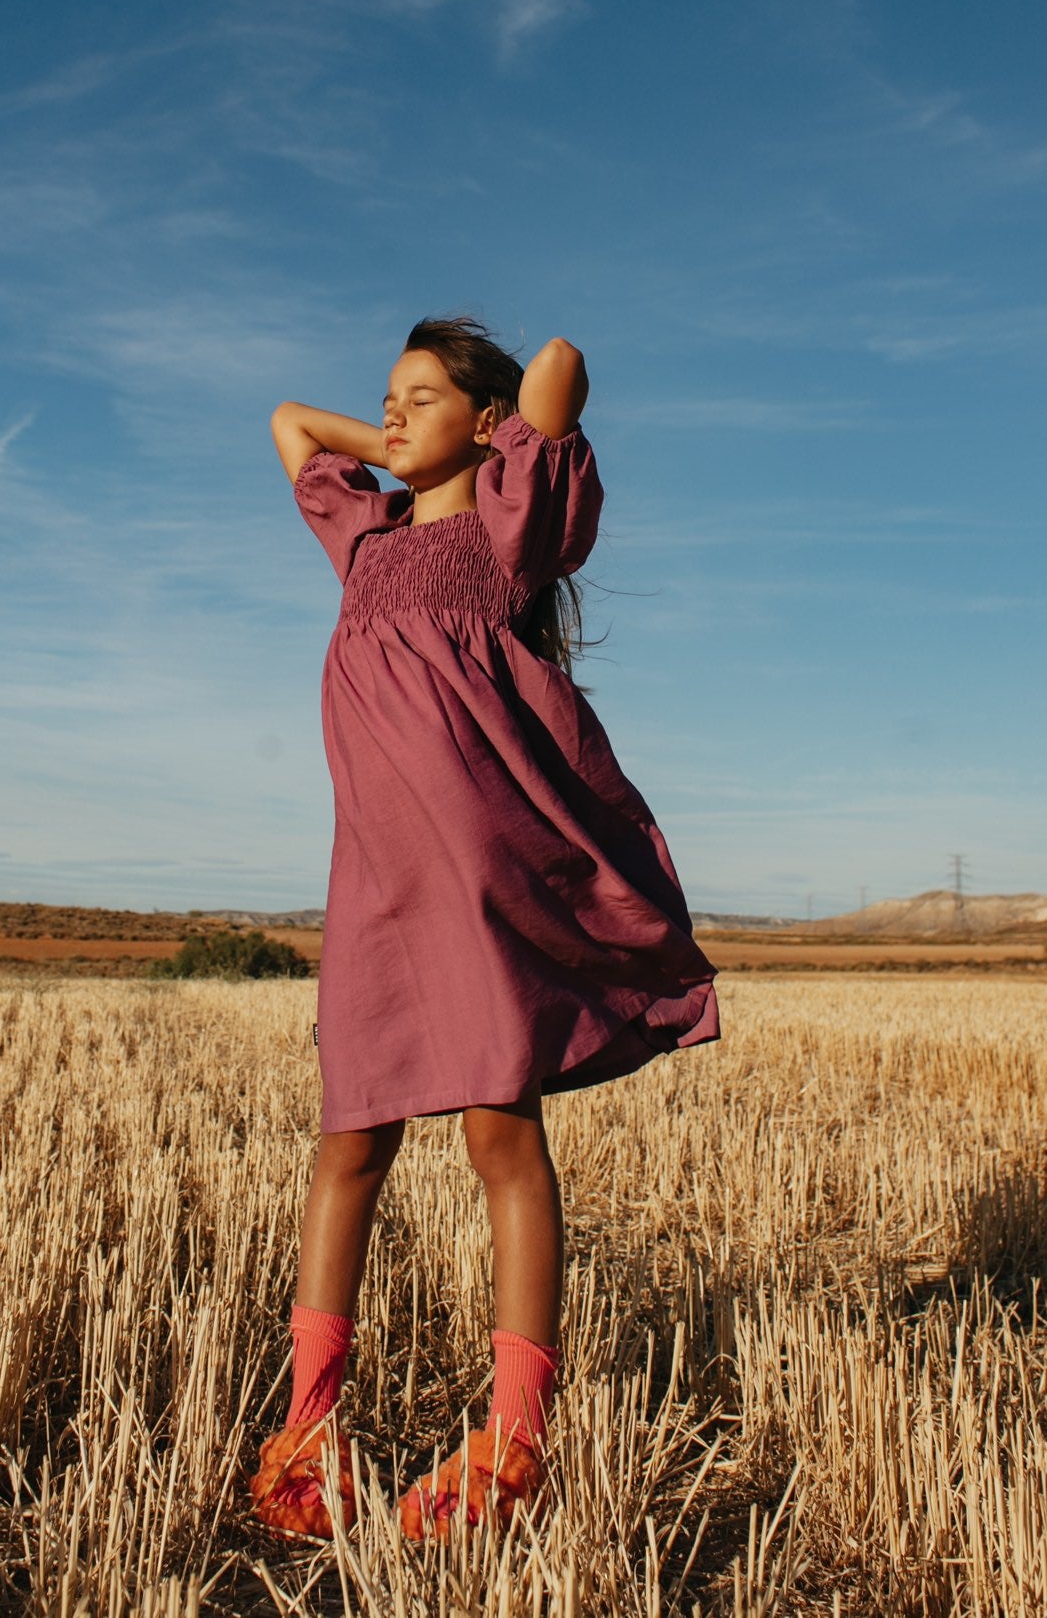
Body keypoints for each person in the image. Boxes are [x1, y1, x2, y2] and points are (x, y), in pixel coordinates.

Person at [250, 317, 719, 1541]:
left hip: (477, 884)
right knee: (347, 1145)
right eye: (387, 397)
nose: (388, 415)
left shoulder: (508, 533)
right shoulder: (369, 540)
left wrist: (490, 438)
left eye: (418, 398)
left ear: (482, 421)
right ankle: (306, 1429)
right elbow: (291, 424)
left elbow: (560, 358)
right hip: (373, 887)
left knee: (496, 1137)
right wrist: (411, 446)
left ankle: (515, 1441)